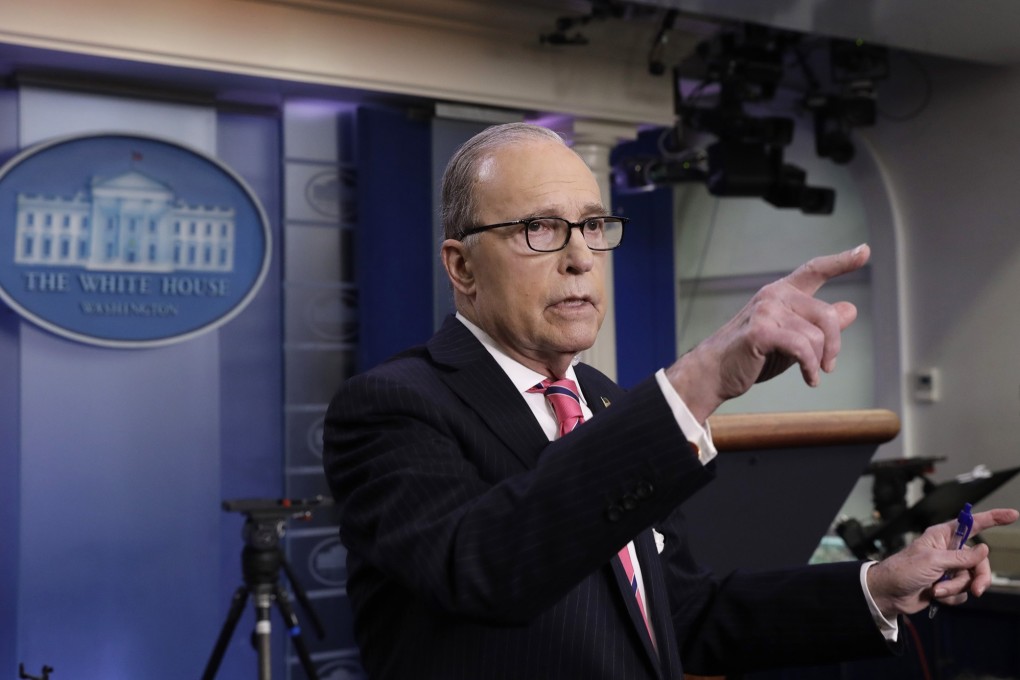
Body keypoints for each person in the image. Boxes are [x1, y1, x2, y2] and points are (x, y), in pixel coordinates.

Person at [322, 122, 1018, 680]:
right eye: (539, 229)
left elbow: (683, 613)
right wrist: (700, 380)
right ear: (461, 265)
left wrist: (877, 588)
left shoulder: (599, 399)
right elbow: (488, 568)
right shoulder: (391, 407)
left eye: (594, 226)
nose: (580, 257)